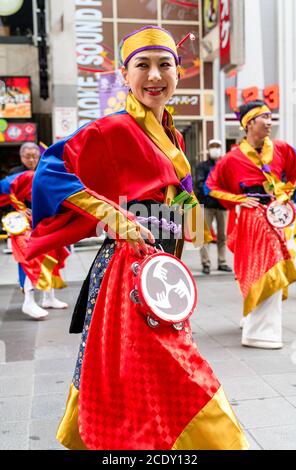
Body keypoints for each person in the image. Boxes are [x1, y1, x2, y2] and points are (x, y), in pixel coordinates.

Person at [26, 26, 248, 450]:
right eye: (141, 65)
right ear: (123, 74)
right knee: (176, 373)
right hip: (127, 274)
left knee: (140, 376)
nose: (154, 75)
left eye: (164, 64)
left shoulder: (173, 135)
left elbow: (172, 197)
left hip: (162, 273)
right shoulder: (113, 128)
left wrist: (191, 220)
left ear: (178, 73)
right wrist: (111, 214)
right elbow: (50, 172)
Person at [206, 100, 296, 349]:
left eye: (271, 117)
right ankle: (258, 331)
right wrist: (239, 199)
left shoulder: (281, 148)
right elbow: (211, 187)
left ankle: (259, 326)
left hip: (276, 216)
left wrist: (284, 193)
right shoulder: (231, 158)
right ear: (249, 123)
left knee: (273, 267)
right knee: (258, 269)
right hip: (250, 217)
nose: (270, 122)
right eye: (264, 118)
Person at [0, 169, 69, 319]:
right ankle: (28, 301)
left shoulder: (48, 178)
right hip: (19, 225)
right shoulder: (23, 178)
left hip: (35, 222)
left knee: (52, 251)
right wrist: (19, 209)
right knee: (30, 259)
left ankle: (49, 297)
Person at [195, 139, 232, 274]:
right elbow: (199, 184)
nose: (215, 149)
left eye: (217, 146)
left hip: (222, 206)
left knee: (222, 236)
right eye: (213, 147)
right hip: (207, 205)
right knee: (204, 235)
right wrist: (211, 193)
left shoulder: (225, 165)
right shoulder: (202, 167)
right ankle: (206, 262)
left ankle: (222, 262)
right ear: (209, 149)